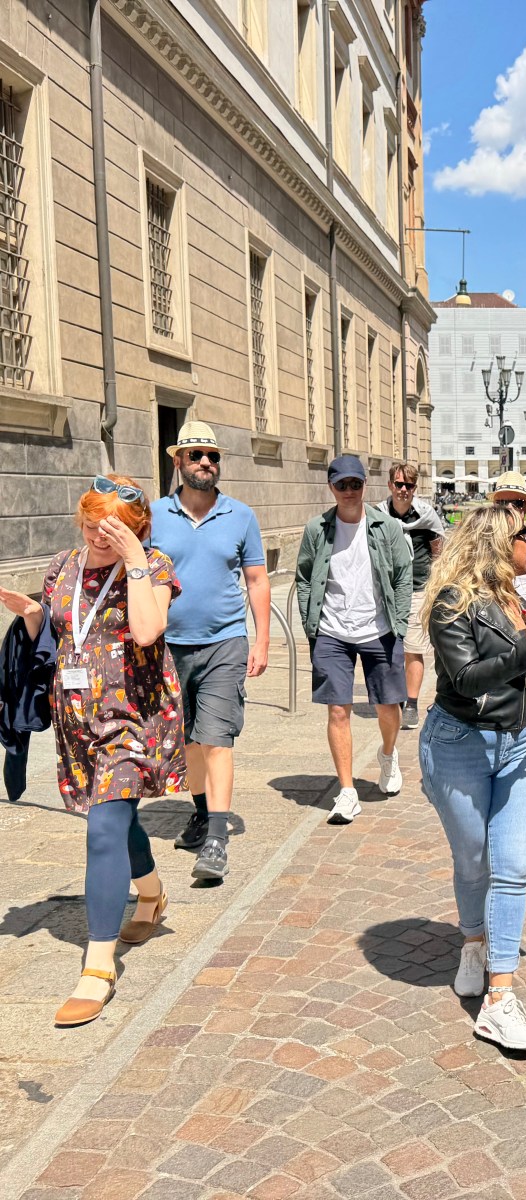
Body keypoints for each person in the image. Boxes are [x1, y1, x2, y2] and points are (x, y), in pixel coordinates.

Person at [0, 477, 186, 1027]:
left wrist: (133, 558)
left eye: (113, 531)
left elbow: (148, 630)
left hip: (134, 715)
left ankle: (98, 966)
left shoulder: (154, 564)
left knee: (104, 824)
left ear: (137, 529)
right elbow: (58, 638)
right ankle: (151, 894)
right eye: (92, 528)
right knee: (114, 814)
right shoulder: (62, 567)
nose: (99, 538)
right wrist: (32, 614)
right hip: (78, 717)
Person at [421, 506, 526, 1050]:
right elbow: (468, 679)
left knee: (513, 865)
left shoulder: (517, 599)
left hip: (519, 743)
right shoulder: (452, 604)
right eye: (524, 535)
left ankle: (500, 995)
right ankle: (473, 940)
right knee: (474, 858)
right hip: (459, 745)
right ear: (496, 543)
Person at [149, 421, 270, 882]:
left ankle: (217, 839)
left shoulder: (240, 516)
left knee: (217, 738)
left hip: (225, 642)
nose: (206, 463)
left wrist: (261, 640)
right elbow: (136, 576)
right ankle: (202, 813)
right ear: (177, 460)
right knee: (189, 742)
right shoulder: (155, 516)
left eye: (213, 456)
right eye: (196, 454)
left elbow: (257, 580)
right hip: (168, 648)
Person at [295, 455, 412, 824]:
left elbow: (403, 574)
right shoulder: (317, 529)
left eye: (355, 484)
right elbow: (303, 576)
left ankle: (388, 754)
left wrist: (402, 623)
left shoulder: (386, 527)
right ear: (331, 487)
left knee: (388, 705)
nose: (348, 491)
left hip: (379, 627)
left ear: (365, 485)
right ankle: (347, 791)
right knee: (337, 709)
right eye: (341, 485)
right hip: (331, 630)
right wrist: (310, 622)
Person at [377, 462, 445, 730]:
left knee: (413, 648)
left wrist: (435, 585)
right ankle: (391, 695)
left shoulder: (425, 515)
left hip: (418, 588)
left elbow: (438, 549)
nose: (403, 490)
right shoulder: (379, 515)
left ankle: (412, 704)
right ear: (390, 485)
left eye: (408, 485)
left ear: (415, 488)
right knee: (386, 646)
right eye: (398, 484)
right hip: (387, 591)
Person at [489, 473, 526, 609]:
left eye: (517, 503)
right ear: (494, 505)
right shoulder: (479, 541)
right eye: (502, 502)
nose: (509, 507)